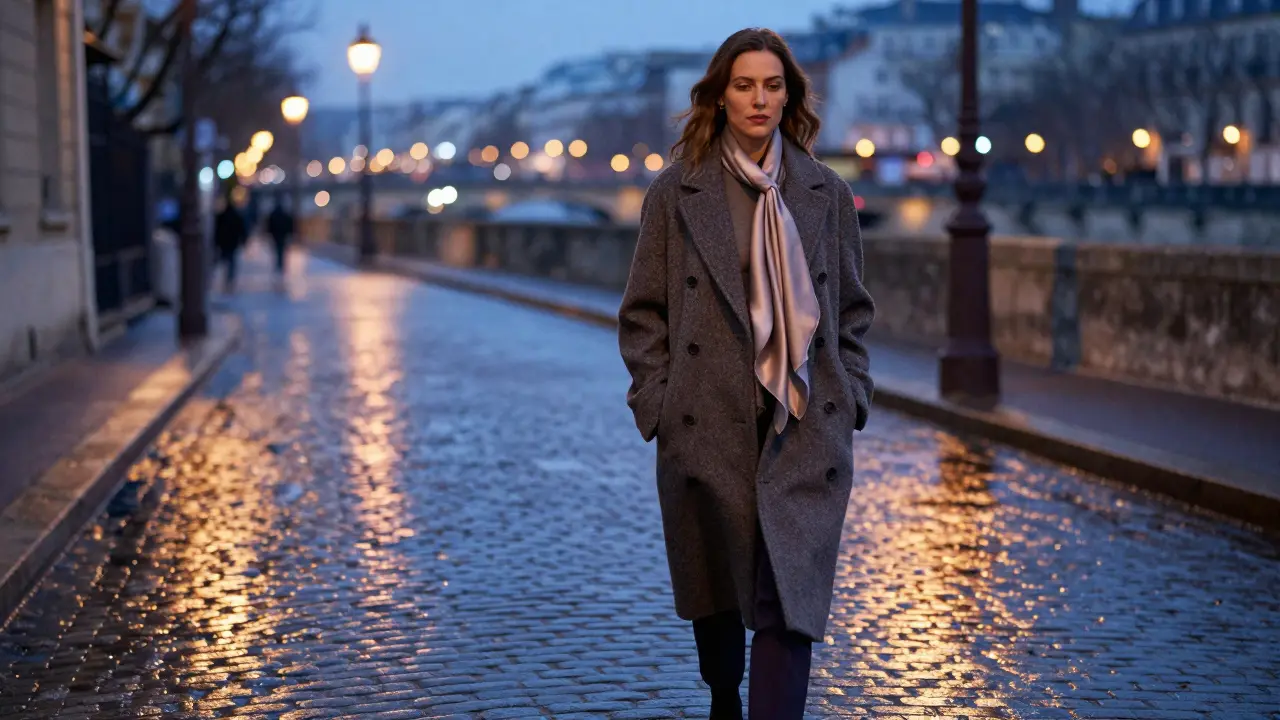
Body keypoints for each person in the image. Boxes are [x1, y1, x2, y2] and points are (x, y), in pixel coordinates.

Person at [616, 28, 875, 720]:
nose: (760, 99)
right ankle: (724, 695)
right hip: (708, 425)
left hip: (804, 429)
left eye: (773, 85)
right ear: (720, 97)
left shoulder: (824, 190)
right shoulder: (677, 192)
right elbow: (643, 313)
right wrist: (660, 406)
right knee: (723, 596)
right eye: (744, 85)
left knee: (787, 602)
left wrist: (851, 395)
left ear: (789, 95)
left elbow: (851, 310)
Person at [213, 193, 248, 293]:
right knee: (231, 261)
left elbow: (217, 230)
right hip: (232, 242)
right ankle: (229, 279)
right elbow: (241, 229)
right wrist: (243, 240)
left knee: (225, 260)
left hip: (224, 242)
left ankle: (225, 278)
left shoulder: (222, 216)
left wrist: (216, 241)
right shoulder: (236, 216)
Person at [266, 197, 296, 276]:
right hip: (283, 235)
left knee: (277, 249)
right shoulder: (285, 214)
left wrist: (269, 233)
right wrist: (290, 233)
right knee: (282, 250)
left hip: (275, 235)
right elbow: (290, 224)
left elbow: (269, 225)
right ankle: (281, 264)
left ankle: (278, 264)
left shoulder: (273, 214)